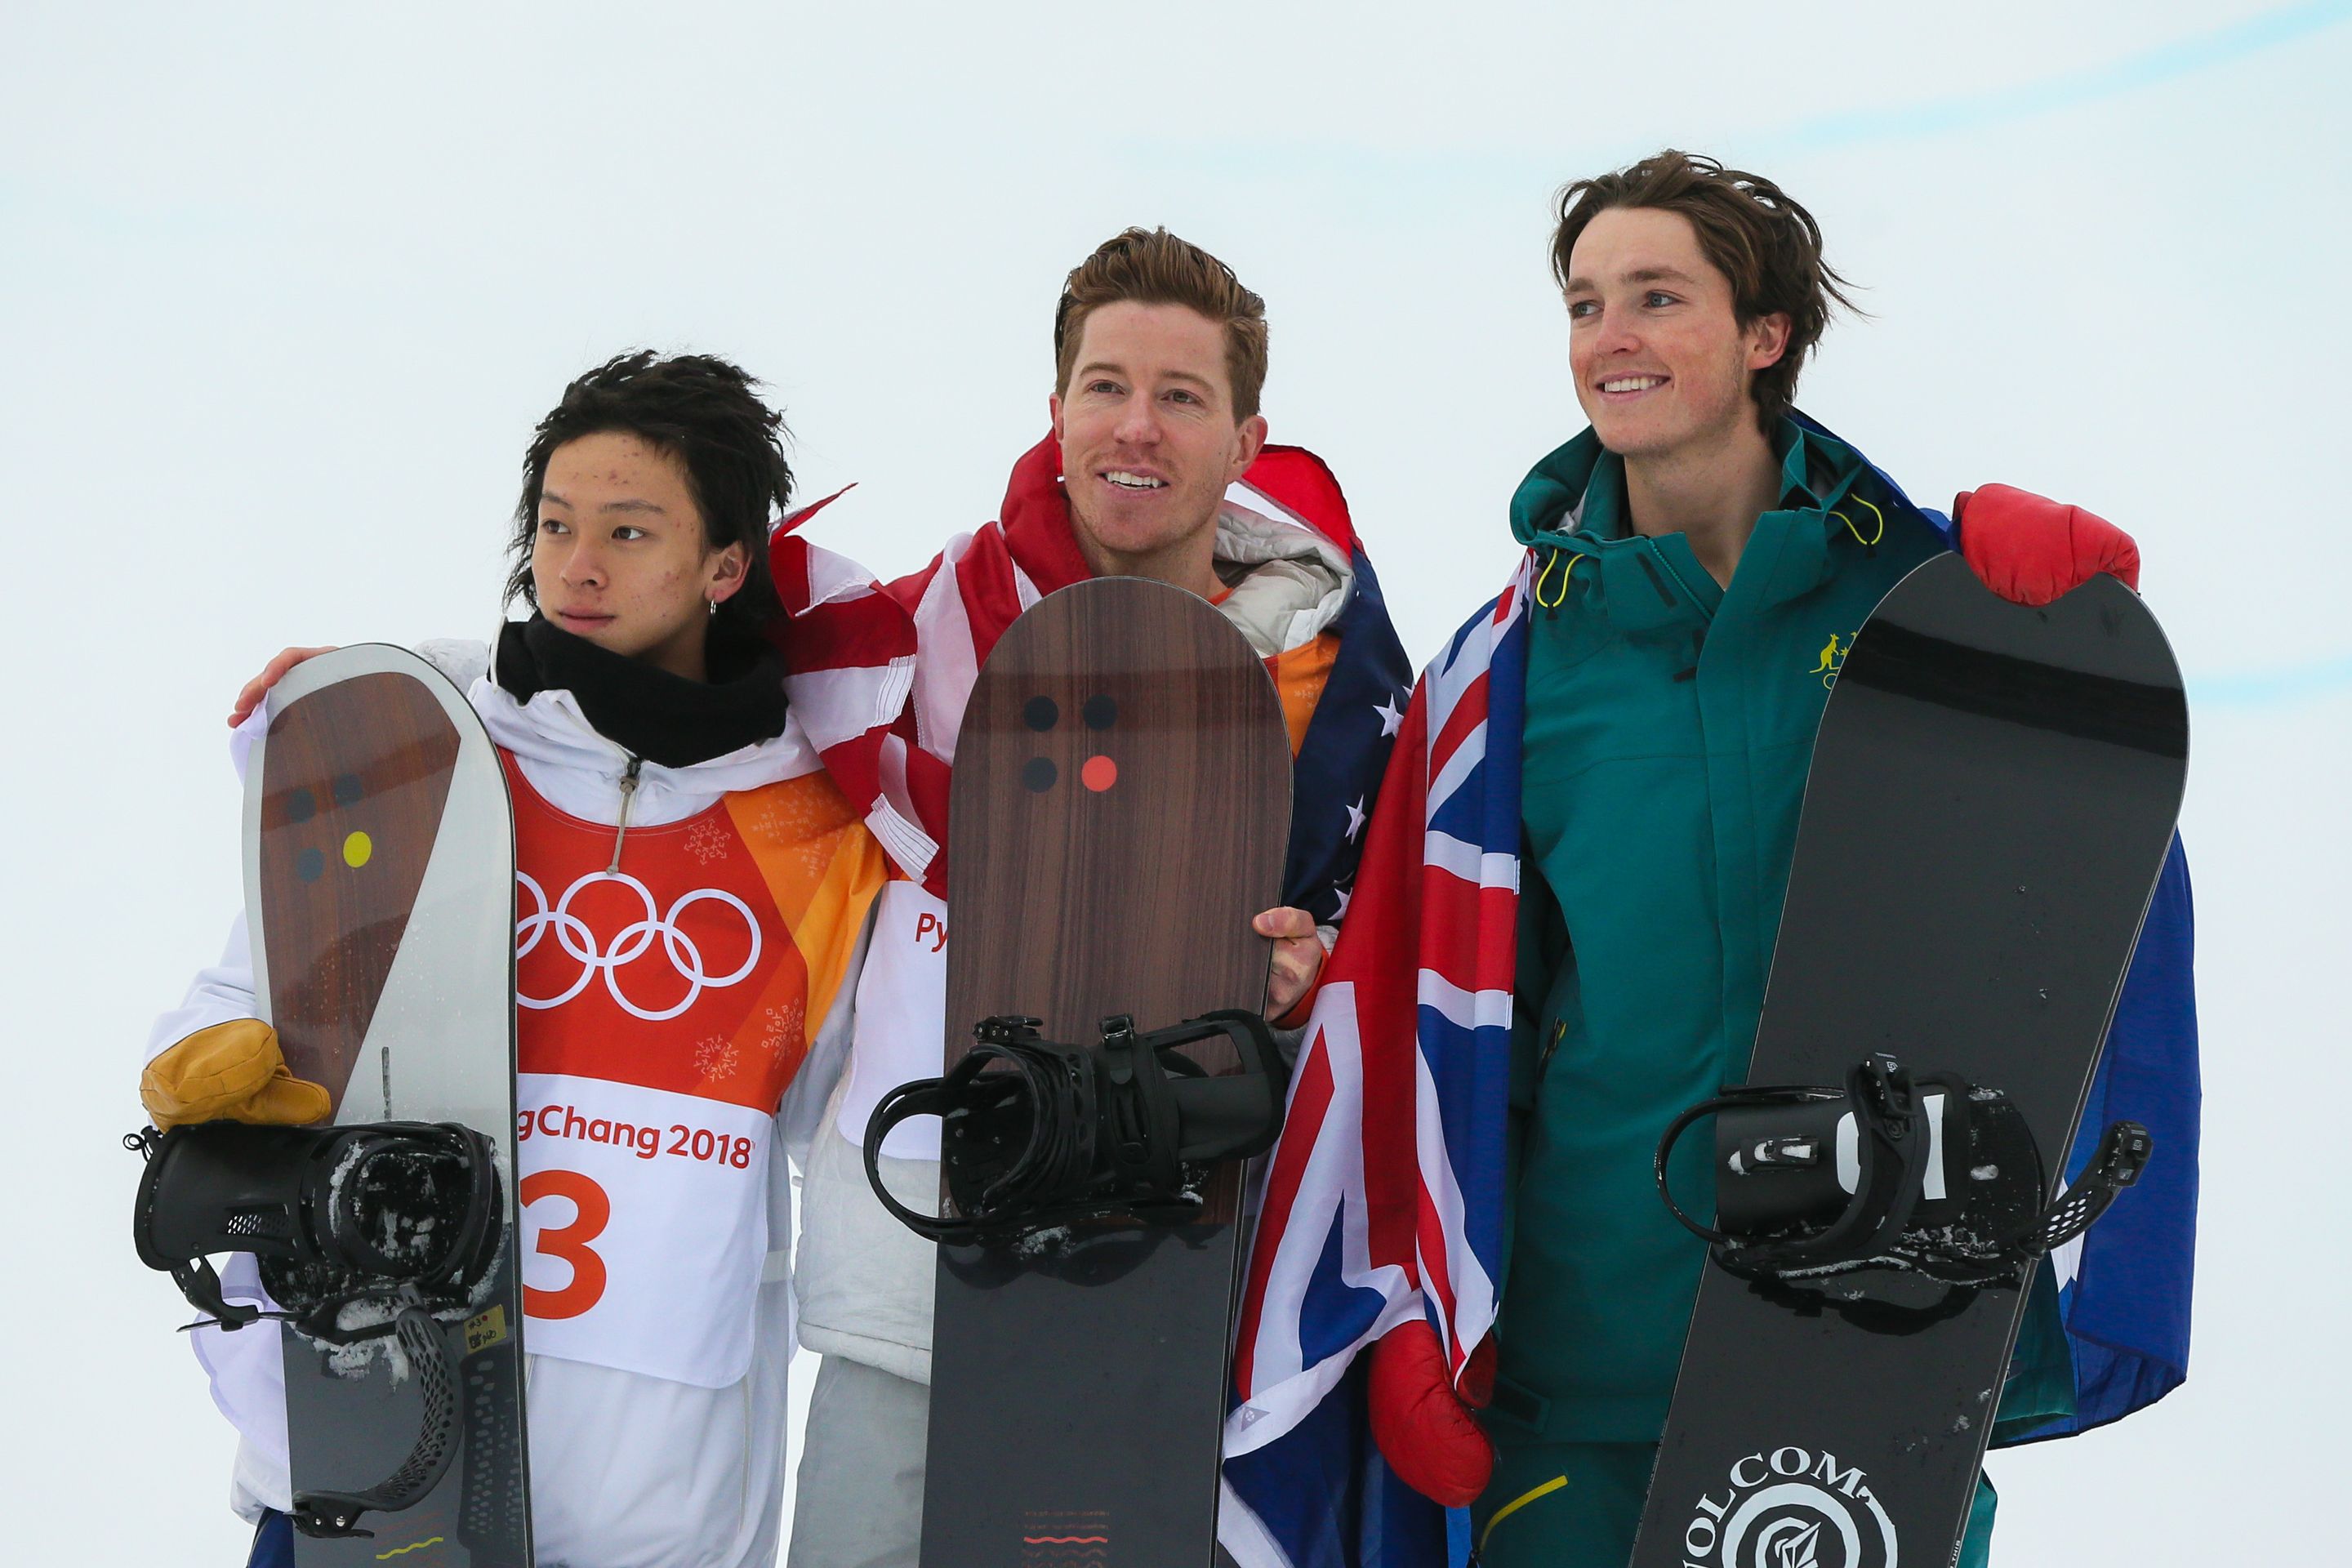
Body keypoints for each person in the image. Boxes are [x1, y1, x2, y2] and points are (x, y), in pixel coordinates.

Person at [1221, 152, 2198, 1568]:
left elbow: (2077, 901)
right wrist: (1410, 1318)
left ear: (1764, 336)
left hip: (1881, 1344)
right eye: (1584, 303)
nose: (1608, 337)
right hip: (1592, 1352)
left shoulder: (1922, 615)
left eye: (1657, 297)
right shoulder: (1506, 674)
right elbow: (1420, 995)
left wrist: (2050, 652)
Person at [143, 351, 889, 1568]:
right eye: (554, 524)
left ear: (725, 566)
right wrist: (203, 1082)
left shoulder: (826, 826)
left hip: (648, 1501)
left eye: (629, 531)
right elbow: (240, 1004)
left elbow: (861, 1143)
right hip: (372, 1463)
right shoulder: (420, 743)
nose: (576, 565)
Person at [764, 226, 1414, 1568]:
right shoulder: (929, 634)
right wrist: (398, 692)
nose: (1138, 427)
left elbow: (1399, 950)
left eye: (1182, 397)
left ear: (1247, 438)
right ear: (1055, 413)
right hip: (918, 1282)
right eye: (1106, 386)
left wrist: (1310, 975)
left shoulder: (1336, 685)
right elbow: (644, 676)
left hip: (1177, 1303)